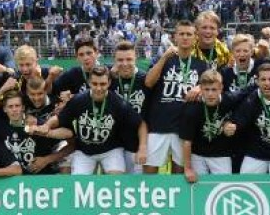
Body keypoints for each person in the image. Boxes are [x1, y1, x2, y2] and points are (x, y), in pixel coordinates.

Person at [34, 66, 143, 175]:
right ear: (89, 82)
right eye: (95, 84)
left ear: (109, 83)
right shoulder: (78, 100)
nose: (99, 88)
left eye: (103, 84)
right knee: (79, 184)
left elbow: (140, 123)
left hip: (111, 150)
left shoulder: (118, 103)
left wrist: (143, 147)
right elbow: (59, 118)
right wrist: (47, 126)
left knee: (115, 180)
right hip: (84, 151)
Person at [143, 20, 209, 174]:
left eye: (189, 34)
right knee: (149, 173)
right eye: (182, 34)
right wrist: (164, 57)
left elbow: (211, 87)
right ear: (175, 37)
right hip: (159, 125)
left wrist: (200, 86)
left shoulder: (201, 65)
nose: (185, 37)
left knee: (179, 174)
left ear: (195, 38)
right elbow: (148, 82)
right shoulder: (164, 59)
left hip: (184, 127)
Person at [179, 71, 246, 183]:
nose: (210, 94)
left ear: (221, 88)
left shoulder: (230, 99)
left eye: (214, 89)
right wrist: (188, 169)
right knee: (198, 187)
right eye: (206, 89)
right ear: (200, 88)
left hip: (222, 154)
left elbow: (249, 91)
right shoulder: (191, 109)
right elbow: (186, 142)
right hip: (198, 155)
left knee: (223, 187)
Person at [0, 91, 73, 174]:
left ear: (23, 107)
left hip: (41, 179)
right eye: (10, 106)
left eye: (17, 106)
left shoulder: (37, 125)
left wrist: (46, 160)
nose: (14, 109)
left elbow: (71, 141)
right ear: (4, 109)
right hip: (13, 182)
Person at [110, 40, 150, 173]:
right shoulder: (109, 80)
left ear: (136, 58)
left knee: (135, 186)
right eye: (120, 60)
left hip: (137, 143)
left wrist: (143, 146)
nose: (125, 63)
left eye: (129, 59)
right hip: (113, 145)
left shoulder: (146, 79)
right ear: (114, 60)